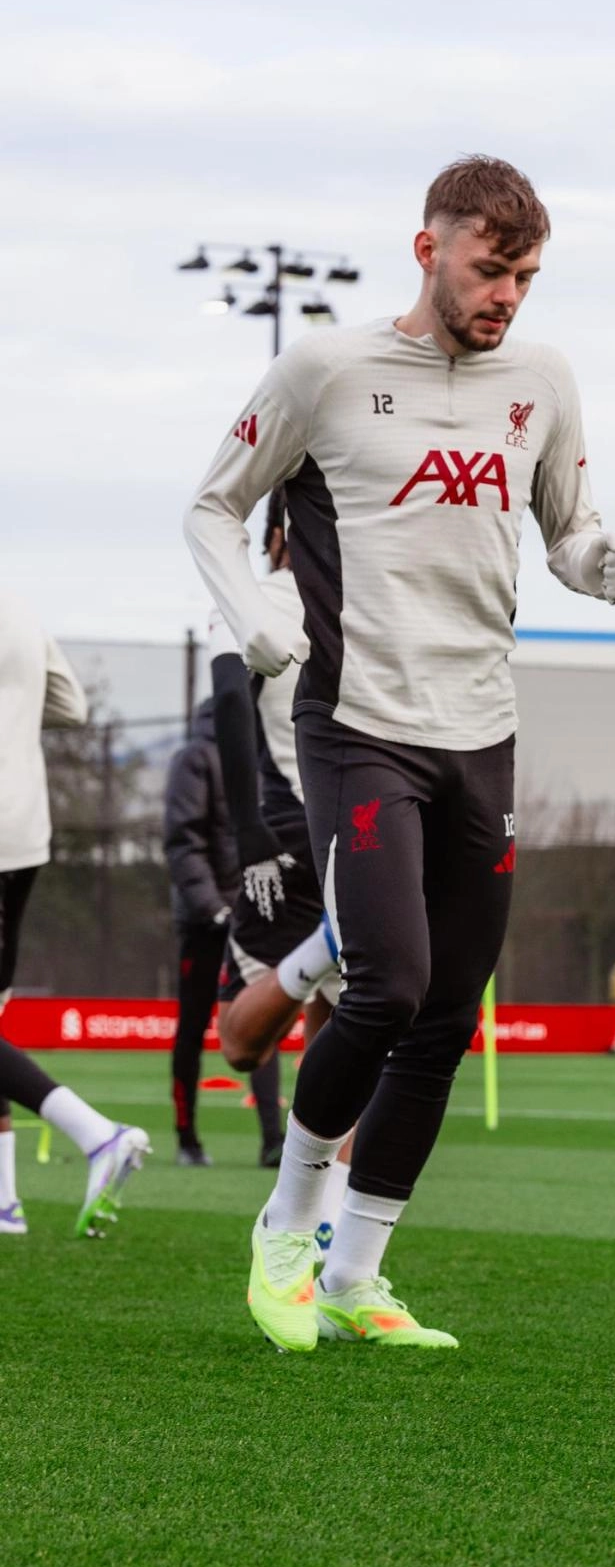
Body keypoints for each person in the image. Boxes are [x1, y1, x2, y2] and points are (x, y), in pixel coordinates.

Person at [185, 154, 615, 1352]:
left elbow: (569, 528)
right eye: (491, 270)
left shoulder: (542, 379)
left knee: (446, 1014)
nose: (508, 297)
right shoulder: (324, 370)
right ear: (428, 249)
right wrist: (255, 619)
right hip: (356, 725)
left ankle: (356, 1274)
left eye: (526, 277)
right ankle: (287, 1228)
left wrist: (597, 562)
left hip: (480, 733)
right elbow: (211, 507)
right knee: (387, 981)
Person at [207, 486, 348, 1231]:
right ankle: (327, 1220)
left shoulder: (257, 594)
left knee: (239, 1039)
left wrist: (248, 833)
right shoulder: (362, 603)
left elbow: (230, 701)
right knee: (343, 1027)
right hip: (363, 833)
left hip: (289, 833)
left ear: (273, 538)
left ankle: (322, 946)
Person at [0, 588, 149, 1236]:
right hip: (24, 832)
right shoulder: (16, 606)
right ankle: (3, 1202)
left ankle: (98, 1135)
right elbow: (71, 705)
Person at [163, 699, 282, 1166]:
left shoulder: (267, 754)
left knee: (261, 1022)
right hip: (204, 923)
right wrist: (213, 909)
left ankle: (273, 1141)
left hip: (253, 917)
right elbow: (183, 840)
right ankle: (187, 1140)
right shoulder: (196, 757)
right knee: (193, 1028)